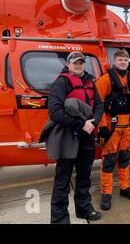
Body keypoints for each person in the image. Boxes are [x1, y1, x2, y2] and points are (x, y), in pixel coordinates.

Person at [47, 52, 103, 224]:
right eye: (75, 62)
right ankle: (59, 219)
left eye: (81, 62)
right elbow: (55, 112)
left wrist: (94, 121)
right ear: (68, 64)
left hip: (87, 135)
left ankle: (84, 208)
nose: (78, 65)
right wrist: (81, 124)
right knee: (62, 180)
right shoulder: (60, 83)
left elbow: (99, 105)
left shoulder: (90, 82)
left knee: (85, 175)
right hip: (68, 136)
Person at [95, 49, 130, 211]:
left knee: (124, 158)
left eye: (125, 60)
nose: (123, 62)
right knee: (109, 161)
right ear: (114, 62)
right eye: (120, 60)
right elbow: (98, 105)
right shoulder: (104, 80)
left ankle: (125, 187)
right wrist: (101, 126)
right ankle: (106, 193)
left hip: (128, 126)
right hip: (112, 126)